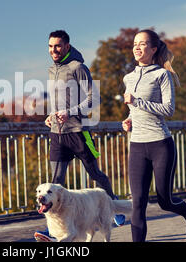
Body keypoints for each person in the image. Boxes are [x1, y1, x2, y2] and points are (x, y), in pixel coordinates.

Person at [34, 30, 125, 242]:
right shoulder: (51, 70)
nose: (53, 50)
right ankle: (53, 230)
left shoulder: (78, 68)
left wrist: (70, 112)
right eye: (50, 46)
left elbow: (95, 99)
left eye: (57, 46)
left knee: (95, 174)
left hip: (79, 132)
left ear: (66, 46)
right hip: (57, 134)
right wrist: (51, 115)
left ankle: (114, 206)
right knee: (55, 183)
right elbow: (59, 100)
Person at [122, 29, 186, 242]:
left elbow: (168, 109)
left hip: (160, 144)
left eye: (143, 44)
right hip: (137, 145)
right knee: (138, 202)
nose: (137, 47)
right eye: (135, 44)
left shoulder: (162, 75)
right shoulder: (128, 78)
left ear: (153, 49)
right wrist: (130, 118)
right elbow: (135, 109)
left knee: (165, 200)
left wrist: (136, 101)